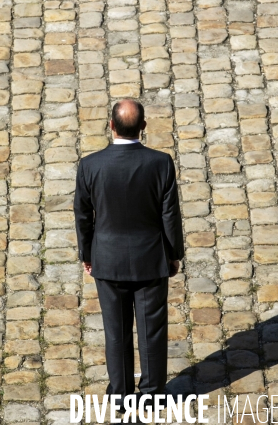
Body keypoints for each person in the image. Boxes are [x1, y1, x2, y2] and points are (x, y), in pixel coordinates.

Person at [74, 99, 184, 412]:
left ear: (111, 126)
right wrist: (173, 254)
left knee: (116, 332)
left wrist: (87, 253)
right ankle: (151, 395)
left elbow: (83, 216)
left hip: (107, 261)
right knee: (152, 333)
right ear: (143, 128)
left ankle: (121, 397)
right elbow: (170, 216)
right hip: (151, 259)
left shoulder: (90, 166)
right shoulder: (160, 163)